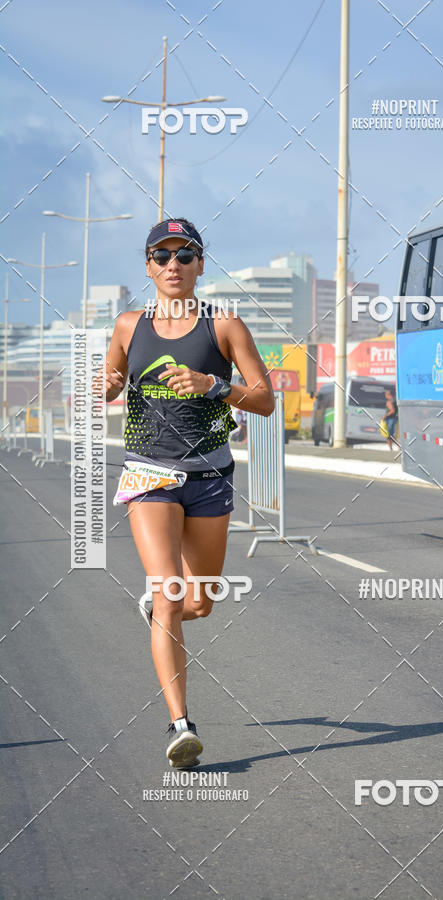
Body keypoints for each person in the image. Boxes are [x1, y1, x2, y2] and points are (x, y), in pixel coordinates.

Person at [99, 217, 274, 768]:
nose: (173, 265)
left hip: (211, 477)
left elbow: (266, 399)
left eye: (185, 254)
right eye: (162, 255)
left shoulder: (224, 326)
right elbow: (108, 382)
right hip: (149, 472)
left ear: (201, 264)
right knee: (171, 594)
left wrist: (215, 386)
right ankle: (181, 725)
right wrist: (101, 386)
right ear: (147, 265)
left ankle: (163, 609)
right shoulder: (129, 324)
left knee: (199, 601)